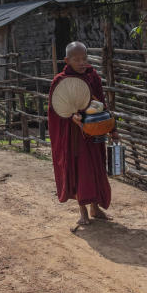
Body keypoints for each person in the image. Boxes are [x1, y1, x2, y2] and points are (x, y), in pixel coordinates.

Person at [48, 41, 117, 230]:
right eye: (76, 59)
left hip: (93, 131)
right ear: (67, 60)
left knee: (96, 168)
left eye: (84, 58)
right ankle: (83, 212)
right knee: (79, 170)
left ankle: (95, 208)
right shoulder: (60, 81)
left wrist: (112, 127)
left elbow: (101, 102)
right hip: (74, 137)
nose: (81, 62)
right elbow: (55, 111)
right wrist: (71, 117)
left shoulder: (92, 76)